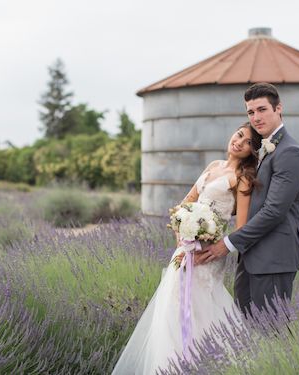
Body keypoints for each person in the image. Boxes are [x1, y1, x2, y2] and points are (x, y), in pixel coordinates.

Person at [112, 122, 262, 374]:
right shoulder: (213, 166)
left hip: (208, 254)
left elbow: (240, 227)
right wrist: (182, 231)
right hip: (185, 249)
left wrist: (213, 243)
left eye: (247, 142)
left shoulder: (243, 179)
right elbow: (186, 202)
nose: (239, 142)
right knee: (172, 303)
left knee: (200, 304)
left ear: (252, 151)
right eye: (238, 135)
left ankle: (206, 364)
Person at [198, 82, 299, 316]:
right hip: (250, 255)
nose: (256, 117)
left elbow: (274, 211)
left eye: (262, 109)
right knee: (245, 332)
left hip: (274, 258)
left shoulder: (290, 152)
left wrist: (227, 244)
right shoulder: (260, 152)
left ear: (278, 108)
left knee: (271, 333)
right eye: (250, 112)